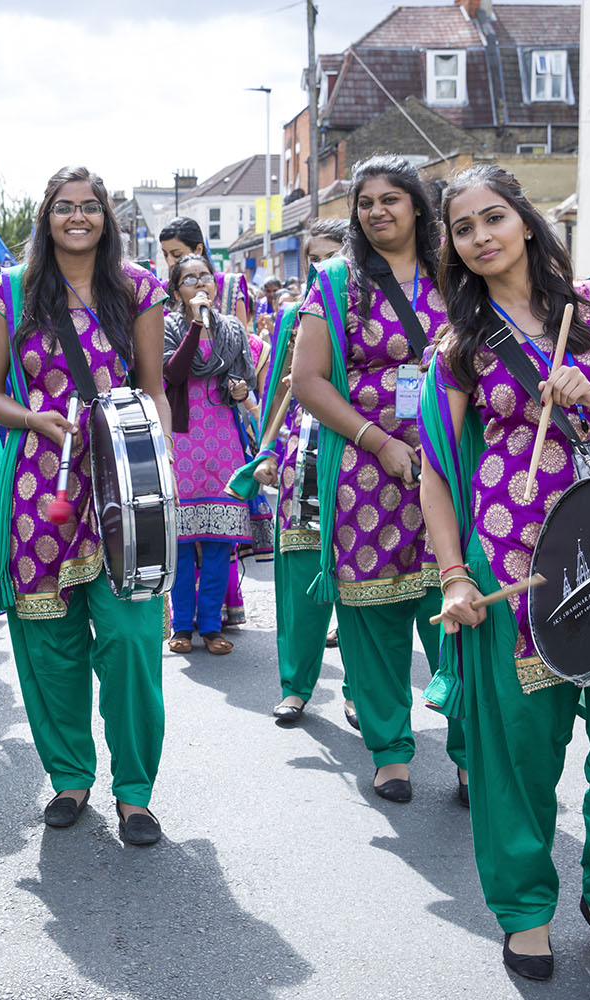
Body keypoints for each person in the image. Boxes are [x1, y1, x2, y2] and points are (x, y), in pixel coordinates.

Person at [421, 164, 590, 981]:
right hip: (511, 556)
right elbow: (433, 467)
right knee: (519, 747)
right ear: (452, 246)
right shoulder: (458, 344)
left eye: (494, 217)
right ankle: (525, 907)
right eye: (464, 228)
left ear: (525, 222)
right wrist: (454, 574)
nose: (482, 236)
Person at [0, 165, 170, 845]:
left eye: (90, 207)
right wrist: (34, 420)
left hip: (125, 479)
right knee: (49, 641)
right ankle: (69, 776)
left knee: (133, 638)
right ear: (47, 217)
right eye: (64, 207)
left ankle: (135, 790)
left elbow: (153, 388)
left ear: (106, 217)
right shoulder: (12, 292)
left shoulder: (139, 288)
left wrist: (160, 463)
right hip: (40, 482)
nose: (78, 217)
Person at [289, 155, 465, 804]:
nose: (377, 211)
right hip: (368, 471)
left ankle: (469, 748)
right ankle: (390, 749)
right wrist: (378, 441)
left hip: (453, 469)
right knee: (373, 613)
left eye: (392, 198)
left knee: (455, 609)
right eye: (366, 202)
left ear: (418, 206)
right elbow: (306, 380)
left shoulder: (457, 275)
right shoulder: (335, 283)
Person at [229, 219, 351, 724]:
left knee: (364, 589)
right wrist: (268, 454)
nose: (322, 267)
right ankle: (297, 686)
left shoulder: (376, 311)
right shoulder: (292, 317)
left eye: (333, 255)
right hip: (303, 460)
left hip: (364, 464)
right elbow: (281, 392)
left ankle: (361, 690)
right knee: (299, 582)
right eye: (314, 258)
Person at [162, 253, 260, 655]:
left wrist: (240, 390)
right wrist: (196, 324)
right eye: (189, 279)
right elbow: (172, 373)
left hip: (223, 443)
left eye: (205, 277)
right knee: (182, 543)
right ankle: (181, 626)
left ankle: (211, 625)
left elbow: (246, 378)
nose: (199, 284)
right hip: (182, 442)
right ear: (176, 290)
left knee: (220, 540)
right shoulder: (166, 327)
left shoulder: (233, 330)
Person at [159, 217, 253, 328]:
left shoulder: (229, 285)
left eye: (177, 255)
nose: (170, 262)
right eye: (165, 255)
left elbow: (241, 340)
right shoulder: (161, 292)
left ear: (198, 249)